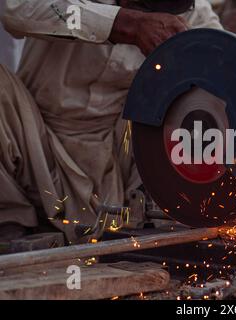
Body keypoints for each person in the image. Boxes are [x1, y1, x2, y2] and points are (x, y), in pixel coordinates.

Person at [0, 0, 222, 242]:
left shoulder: (192, 13)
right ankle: (12, 226)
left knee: (193, 102)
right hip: (33, 144)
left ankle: (152, 223)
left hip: (118, 165)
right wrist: (127, 24)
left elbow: (231, 67)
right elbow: (14, 10)